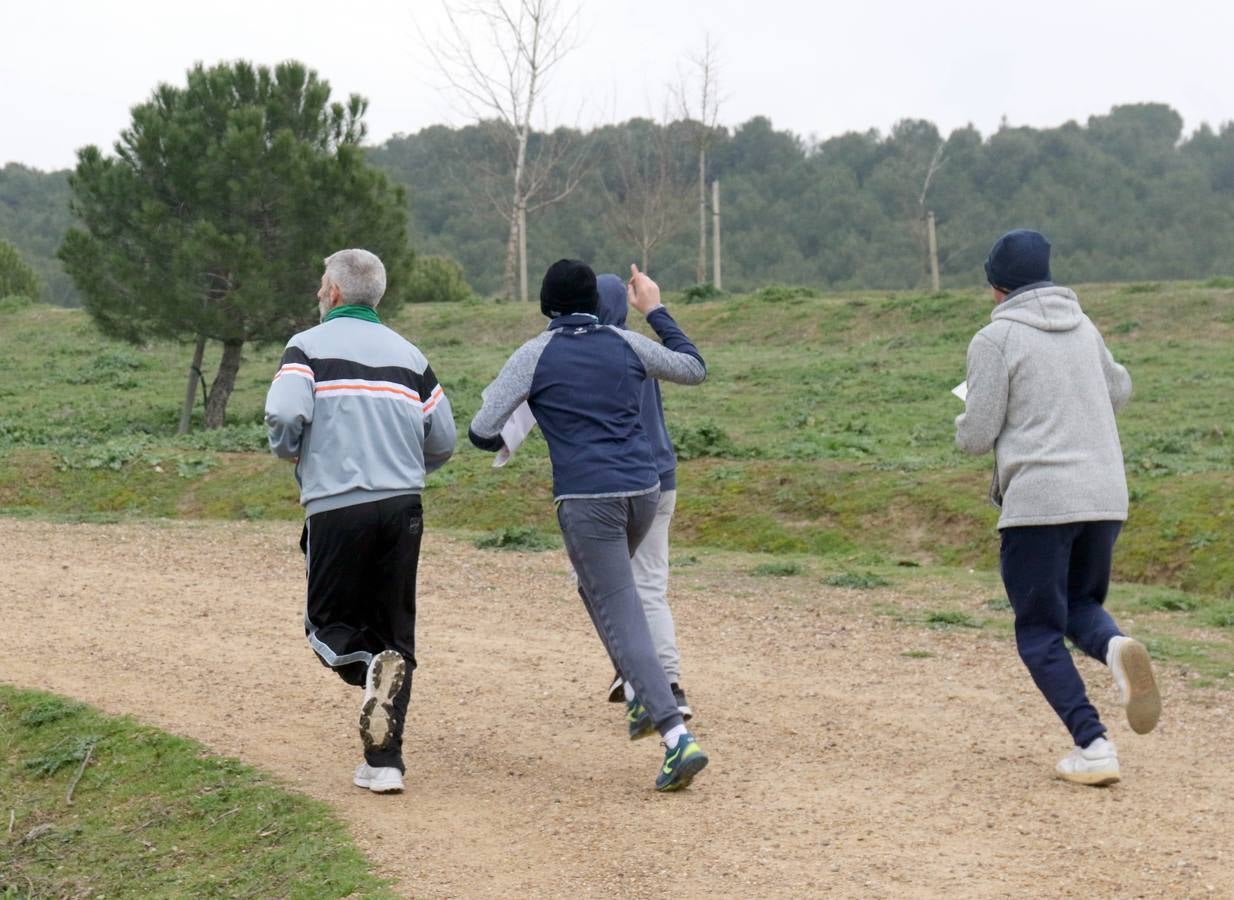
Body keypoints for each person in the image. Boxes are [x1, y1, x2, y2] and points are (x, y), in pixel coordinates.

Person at [469, 259, 709, 792]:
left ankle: (673, 732)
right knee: (598, 590)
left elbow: (484, 430)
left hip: (587, 498)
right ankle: (641, 696)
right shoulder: (627, 343)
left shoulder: (535, 353)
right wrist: (659, 312)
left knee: (620, 605)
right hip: (645, 491)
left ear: (546, 304)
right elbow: (693, 368)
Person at [955, 229, 1160, 787]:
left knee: (1039, 630)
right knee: (1078, 603)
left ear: (996, 286)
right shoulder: (1083, 324)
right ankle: (1117, 648)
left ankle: (1092, 744)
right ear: (1047, 275)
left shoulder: (993, 340)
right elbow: (1119, 391)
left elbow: (976, 435)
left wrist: (963, 413)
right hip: (1104, 497)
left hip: (1040, 503)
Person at [265, 248, 456, 795]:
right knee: (396, 631)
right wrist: (403, 467)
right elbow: (442, 438)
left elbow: (283, 414)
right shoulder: (410, 355)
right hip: (404, 508)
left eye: (322, 285)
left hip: (336, 505)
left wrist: (290, 450)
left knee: (326, 627)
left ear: (334, 292)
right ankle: (385, 763)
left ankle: (368, 666)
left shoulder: (307, 347)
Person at [593, 273, 693, 738]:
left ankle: (637, 675)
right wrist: (654, 309)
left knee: (597, 583)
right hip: (660, 477)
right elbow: (689, 361)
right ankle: (667, 685)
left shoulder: (581, 350)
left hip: (608, 487)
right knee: (648, 585)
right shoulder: (637, 345)